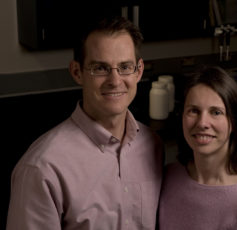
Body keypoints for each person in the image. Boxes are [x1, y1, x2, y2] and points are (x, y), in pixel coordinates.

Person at [6, 15, 163, 230]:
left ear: (139, 71)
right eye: (100, 68)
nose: (115, 81)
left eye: (125, 67)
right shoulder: (42, 169)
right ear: (77, 72)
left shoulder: (152, 145)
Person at [158, 66, 237, 230]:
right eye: (194, 110)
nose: (202, 123)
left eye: (216, 112)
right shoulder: (170, 176)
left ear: (234, 122)